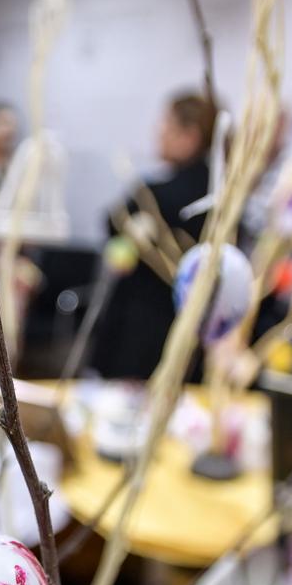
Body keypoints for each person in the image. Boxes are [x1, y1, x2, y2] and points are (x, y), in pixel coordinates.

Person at [90, 91, 216, 380]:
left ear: (190, 136)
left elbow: (112, 221)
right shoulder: (219, 197)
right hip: (189, 337)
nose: (159, 131)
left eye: (167, 124)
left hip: (143, 332)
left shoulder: (159, 197)